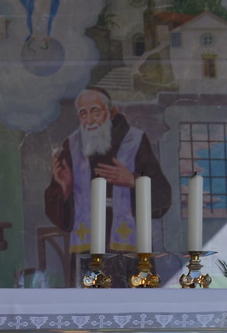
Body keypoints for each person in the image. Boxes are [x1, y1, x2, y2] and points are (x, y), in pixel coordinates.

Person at [44, 87, 172, 264]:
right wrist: (65, 191)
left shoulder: (134, 140)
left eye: (96, 111)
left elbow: (163, 197)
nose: (89, 120)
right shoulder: (72, 145)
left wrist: (133, 181)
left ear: (111, 113)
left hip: (128, 250)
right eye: (83, 113)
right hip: (87, 248)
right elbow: (57, 210)